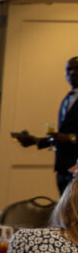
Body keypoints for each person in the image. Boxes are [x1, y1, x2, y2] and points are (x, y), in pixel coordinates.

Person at [54, 56, 78, 193]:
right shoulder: (67, 99)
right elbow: (63, 133)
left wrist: (70, 138)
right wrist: (37, 141)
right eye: (69, 69)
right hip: (62, 168)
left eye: (76, 69)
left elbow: (68, 136)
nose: (72, 72)